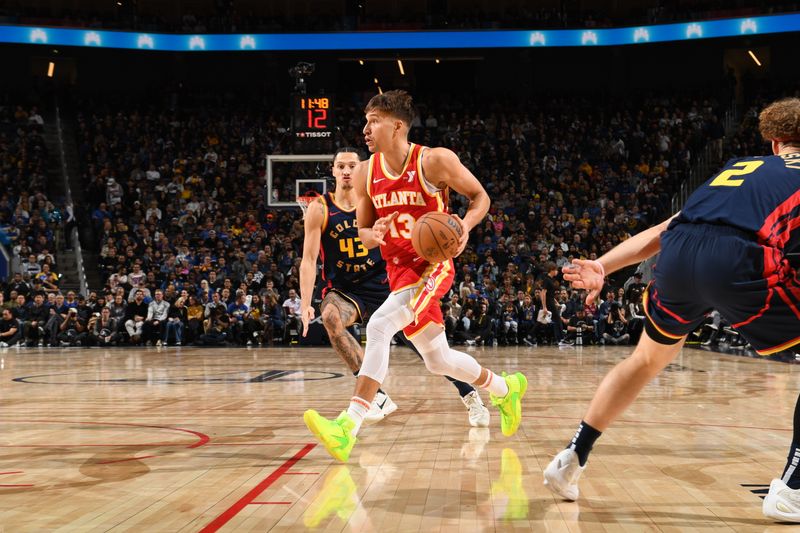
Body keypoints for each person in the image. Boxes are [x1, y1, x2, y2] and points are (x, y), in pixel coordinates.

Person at [543, 97, 800, 523]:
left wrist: (603, 265)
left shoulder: (736, 168)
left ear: (773, 143)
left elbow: (668, 228)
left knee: (645, 359)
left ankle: (572, 457)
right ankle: (793, 489)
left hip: (679, 256)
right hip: (741, 260)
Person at [303, 90, 526, 463]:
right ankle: (505, 388)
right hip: (396, 271)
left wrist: (464, 225)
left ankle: (348, 425)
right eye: (365, 120)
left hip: (431, 266)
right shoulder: (365, 172)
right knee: (437, 360)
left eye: (374, 120)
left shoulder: (434, 161)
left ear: (397, 125)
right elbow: (363, 234)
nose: (366, 128)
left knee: (377, 327)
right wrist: (378, 233)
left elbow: (480, 197)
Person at [299, 148, 490, 427]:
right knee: (330, 317)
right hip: (347, 290)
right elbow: (309, 259)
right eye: (341, 166)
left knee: (433, 355)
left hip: (389, 283)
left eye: (352, 165)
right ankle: (375, 397)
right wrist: (305, 304)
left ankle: (469, 392)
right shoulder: (320, 208)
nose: (347, 171)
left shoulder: (377, 196)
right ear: (333, 171)